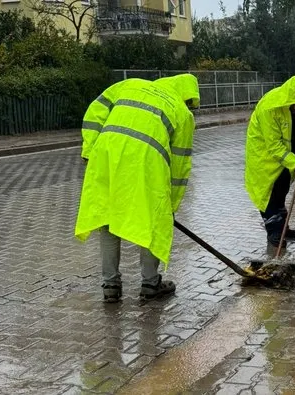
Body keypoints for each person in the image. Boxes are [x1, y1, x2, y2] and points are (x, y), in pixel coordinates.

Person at [74, 74, 200, 303]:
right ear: (187, 96)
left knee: (108, 220)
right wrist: (171, 204)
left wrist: (89, 149)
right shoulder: (182, 113)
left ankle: (110, 285)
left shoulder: (131, 85)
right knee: (151, 222)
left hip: (107, 156)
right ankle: (151, 284)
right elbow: (180, 165)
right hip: (145, 164)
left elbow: (95, 110)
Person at [245, 75, 295, 248]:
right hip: (264, 157)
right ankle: (274, 232)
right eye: (293, 105)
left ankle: (281, 227)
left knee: (281, 189)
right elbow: (273, 145)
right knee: (269, 195)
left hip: (284, 159)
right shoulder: (269, 108)